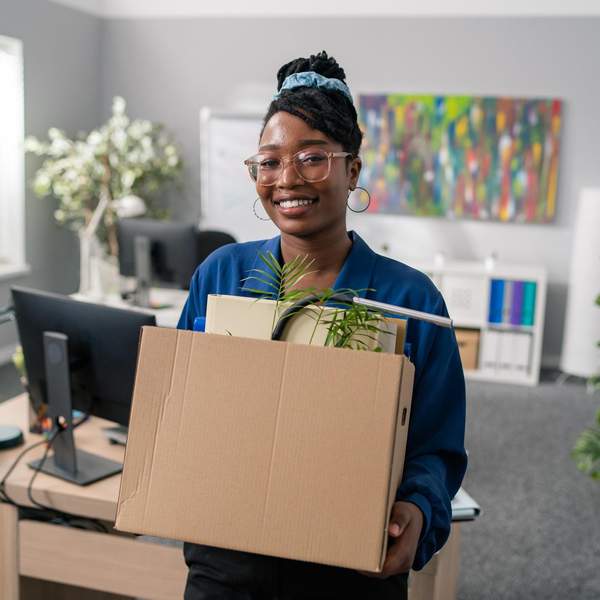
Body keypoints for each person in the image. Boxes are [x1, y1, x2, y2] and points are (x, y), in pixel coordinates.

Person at [177, 51, 467, 600]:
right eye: (269, 161)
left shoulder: (411, 300)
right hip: (227, 559)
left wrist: (417, 511)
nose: (287, 179)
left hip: (348, 565)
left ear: (352, 169)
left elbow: (436, 447)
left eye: (312, 158)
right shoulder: (222, 275)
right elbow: (185, 410)